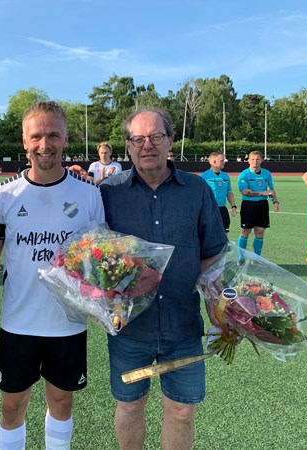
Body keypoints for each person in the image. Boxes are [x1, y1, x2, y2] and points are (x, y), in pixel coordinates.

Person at [0, 101, 105, 450]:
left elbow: (100, 259)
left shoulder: (89, 194)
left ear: (66, 139)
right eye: (36, 136)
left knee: (61, 403)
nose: (44, 144)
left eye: (53, 135)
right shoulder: (3, 196)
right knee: (11, 406)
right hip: (18, 323)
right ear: (24, 141)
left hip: (68, 324)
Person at [99, 108, 227, 450]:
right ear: (128, 145)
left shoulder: (196, 189)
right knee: (130, 406)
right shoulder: (108, 191)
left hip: (183, 325)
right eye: (138, 138)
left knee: (182, 412)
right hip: (130, 329)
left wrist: (218, 306)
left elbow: (212, 253)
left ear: (170, 141)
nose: (147, 145)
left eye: (156, 136)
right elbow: (93, 257)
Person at [237, 150, 280, 257]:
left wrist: (275, 201)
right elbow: (245, 192)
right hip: (248, 205)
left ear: (261, 160)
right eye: (252, 159)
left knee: (260, 232)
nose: (255, 162)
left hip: (262, 205)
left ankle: (257, 258)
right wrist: (263, 193)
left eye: (257, 159)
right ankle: (240, 258)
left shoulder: (267, 173)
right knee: (245, 232)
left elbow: (271, 189)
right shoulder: (244, 174)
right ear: (248, 160)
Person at [200, 151, 237, 232]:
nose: (224, 162)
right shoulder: (204, 176)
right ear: (214, 162)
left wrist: (233, 206)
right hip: (209, 209)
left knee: (224, 234)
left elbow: (229, 192)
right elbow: (199, 194)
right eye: (222, 160)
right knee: (209, 234)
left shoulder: (226, 176)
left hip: (222, 209)